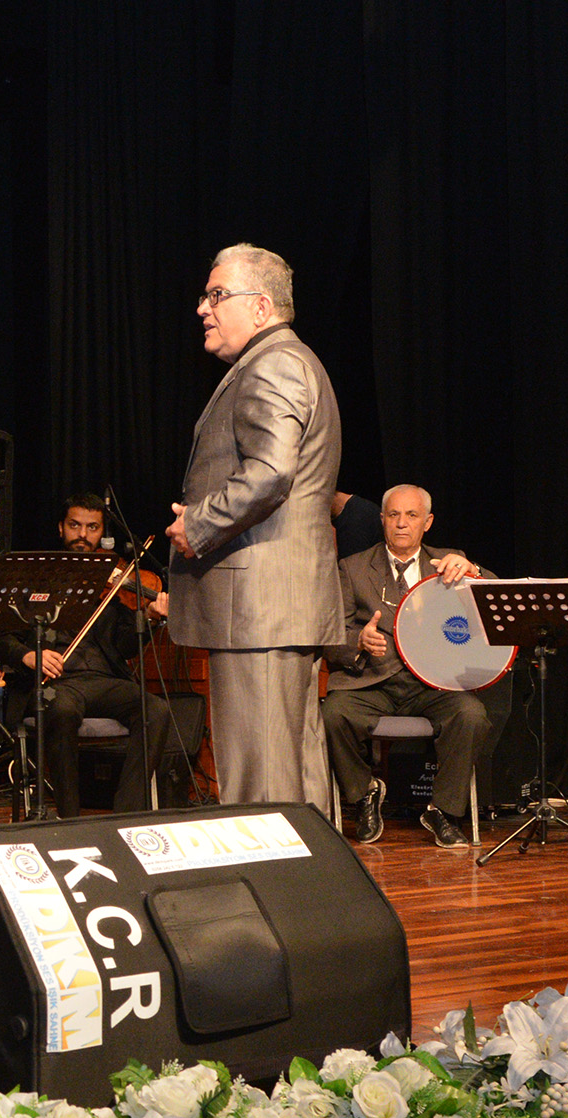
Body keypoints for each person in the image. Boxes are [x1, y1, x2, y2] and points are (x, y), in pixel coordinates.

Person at [165, 243, 343, 806]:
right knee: (293, 777)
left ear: (261, 306)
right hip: (272, 606)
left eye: (217, 295)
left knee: (259, 786)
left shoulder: (274, 364)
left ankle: (274, 869)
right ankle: (310, 869)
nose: (203, 308)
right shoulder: (282, 361)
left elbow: (270, 472)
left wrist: (198, 524)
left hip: (258, 609)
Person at [322, 485, 493, 848]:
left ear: (427, 522)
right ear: (382, 519)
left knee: (471, 715)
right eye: (394, 515)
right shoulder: (352, 568)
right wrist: (358, 641)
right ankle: (364, 794)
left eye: (411, 515)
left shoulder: (449, 562)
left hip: (431, 685)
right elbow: (331, 637)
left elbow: (495, 600)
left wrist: (475, 571)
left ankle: (443, 810)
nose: (402, 523)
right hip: (373, 683)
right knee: (334, 714)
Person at [0, 495, 171, 819]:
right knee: (62, 710)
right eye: (75, 525)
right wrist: (29, 656)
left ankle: (125, 816)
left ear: (102, 532)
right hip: (58, 683)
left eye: (92, 527)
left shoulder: (115, 581)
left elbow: (124, 647)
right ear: (60, 528)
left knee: (156, 710)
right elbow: (3, 639)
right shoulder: (35, 576)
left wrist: (148, 619)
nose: (82, 534)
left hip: (104, 680)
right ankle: (70, 818)